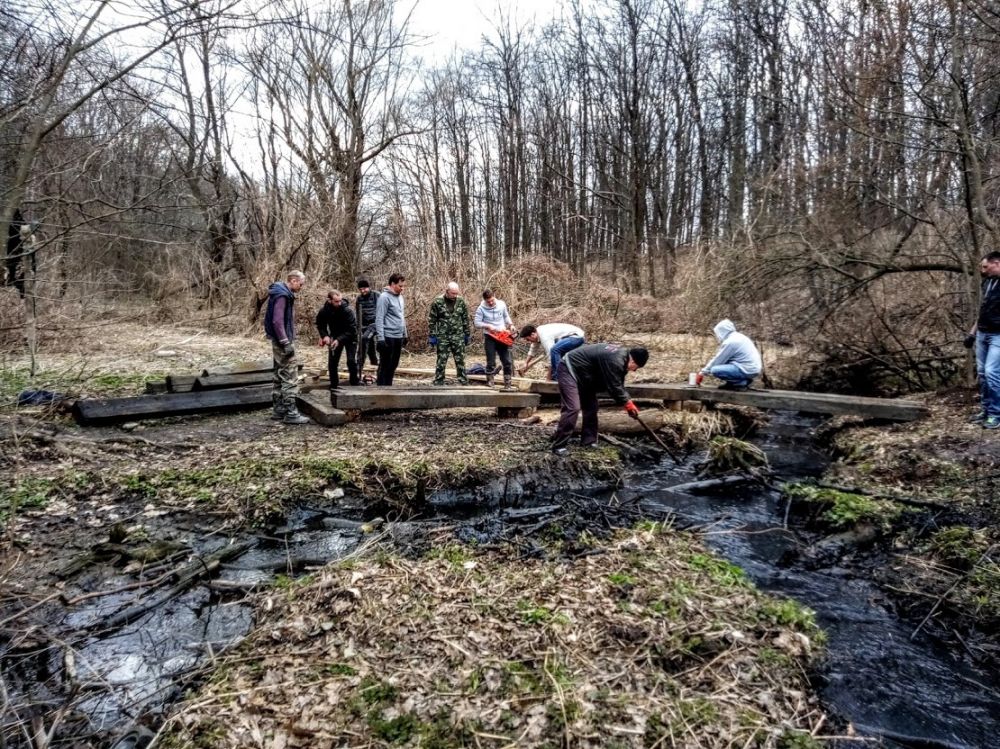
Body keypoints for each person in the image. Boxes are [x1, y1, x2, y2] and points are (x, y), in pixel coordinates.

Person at [551, 343, 648, 455]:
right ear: (633, 362)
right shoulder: (616, 360)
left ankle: (588, 441)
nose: (634, 371)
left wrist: (628, 403)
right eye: (636, 368)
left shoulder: (622, 358)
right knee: (573, 408)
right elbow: (614, 386)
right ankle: (559, 446)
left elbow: (618, 384)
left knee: (592, 407)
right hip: (568, 368)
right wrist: (628, 404)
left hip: (585, 374)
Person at [264, 270, 310, 424]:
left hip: (278, 340)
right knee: (289, 376)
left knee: (279, 374)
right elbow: (277, 321)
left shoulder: (280, 293)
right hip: (282, 342)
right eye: (301, 284)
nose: (301, 287)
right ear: (294, 280)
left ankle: (279, 409)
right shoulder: (282, 295)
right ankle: (291, 413)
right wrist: (285, 342)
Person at [966, 251, 1000, 429]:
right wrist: (972, 333)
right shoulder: (988, 282)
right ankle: (986, 411)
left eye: (986, 267)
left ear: (997, 263)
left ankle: (995, 414)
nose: (983, 270)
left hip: (998, 335)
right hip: (982, 333)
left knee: (992, 372)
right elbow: (983, 311)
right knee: (982, 374)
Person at [699, 319, 762, 391]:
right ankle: (733, 383)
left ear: (722, 331)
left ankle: (740, 383)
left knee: (715, 370)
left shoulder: (731, 342)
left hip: (746, 369)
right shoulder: (740, 337)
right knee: (725, 363)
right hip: (752, 368)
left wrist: (702, 373)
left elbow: (718, 360)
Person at [428, 281, 471, 386]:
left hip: (458, 335)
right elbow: (432, 320)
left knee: (460, 359)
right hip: (443, 336)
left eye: (456, 293)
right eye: (453, 293)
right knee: (441, 359)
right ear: (447, 291)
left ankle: (463, 380)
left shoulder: (461, 301)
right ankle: (439, 380)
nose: (455, 295)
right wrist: (432, 335)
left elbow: (465, 318)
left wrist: (467, 334)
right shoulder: (437, 302)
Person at [316, 289, 359, 390]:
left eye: (340, 301)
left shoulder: (347, 311)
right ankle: (334, 386)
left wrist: (339, 340)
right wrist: (324, 336)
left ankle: (354, 383)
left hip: (350, 337)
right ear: (329, 300)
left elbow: (352, 329)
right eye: (336, 301)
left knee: (351, 361)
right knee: (332, 362)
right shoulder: (324, 311)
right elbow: (320, 325)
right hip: (335, 335)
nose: (339, 303)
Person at [474, 288, 516, 390]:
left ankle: (508, 383)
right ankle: (490, 382)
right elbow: (477, 323)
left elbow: (506, 316)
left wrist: (511, 325)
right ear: (484, 300)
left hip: (502, 336)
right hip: (490, 336)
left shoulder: (501, 304)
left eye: (492, 300)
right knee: (491, 361)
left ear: (494, 297)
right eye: (488, 301)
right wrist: (487, 326)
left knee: (507, 361)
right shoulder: (481, 309)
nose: (491, 303)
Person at [518, 323, 585, 380]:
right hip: (567, 338)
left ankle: (557, 378)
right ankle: (563, 376)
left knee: (554, 350)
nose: (528, 341)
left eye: (528, 339)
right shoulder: (537, 333)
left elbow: (551, 356)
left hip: (576, 337)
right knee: (557, 352)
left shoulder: (544, 336)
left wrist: (548, 378)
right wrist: (526, 363)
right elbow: (533, 349)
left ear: (532, 334)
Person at [375, 272, 407, 386]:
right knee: (385, 364)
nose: (402, 288)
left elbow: (401, 316)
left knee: (394, 364)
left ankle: (389, 387)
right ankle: (381, 388)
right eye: (400, 286)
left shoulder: (400, 297)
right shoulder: (384, 297)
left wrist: (405, 334)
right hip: (388, 336)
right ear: (393, 284)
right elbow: (379, 318)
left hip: (398, 336)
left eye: (403, 286)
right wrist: (381, 338)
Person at [355, 278, 380, 378]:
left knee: (364, 339)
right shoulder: (359, 299)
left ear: (369, 287)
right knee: (369, 345)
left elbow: (381, 310)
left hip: (375, 324)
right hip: (364, 325)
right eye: (360, 289)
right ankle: (375, 363)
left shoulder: (376, 295)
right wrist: (358, 327)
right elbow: (358, 313)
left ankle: (359, 365)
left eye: (364, 288)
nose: (362, 291)